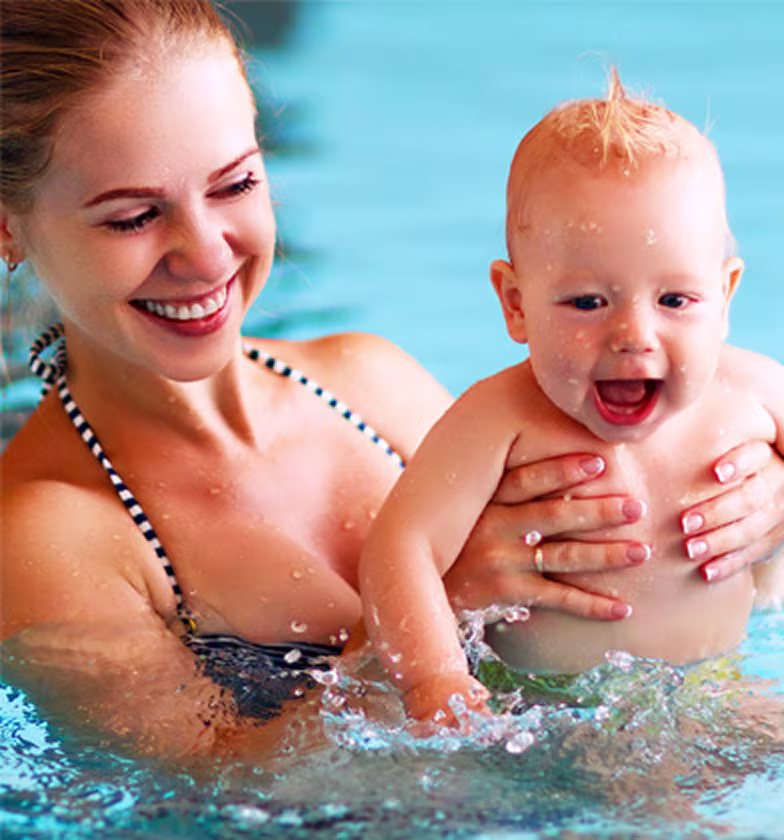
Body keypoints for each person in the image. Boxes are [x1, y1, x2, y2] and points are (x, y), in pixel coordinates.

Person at [0, 1, 781, 761]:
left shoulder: (366, 382)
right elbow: (201, 791)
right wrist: (439, 619)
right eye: (132, 217)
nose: (206, 256)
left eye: (235, 185)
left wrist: (758, 501)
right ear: (9, 225)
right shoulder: (47, 539)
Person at [359, 71, 784, 726]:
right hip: (543, 714)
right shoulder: (498, 419)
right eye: (588, 302)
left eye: (676, 300)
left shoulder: (754, 394)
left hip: (716, 695)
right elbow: (401, 547)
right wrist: (434, 679)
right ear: (516, 304)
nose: (633, 336)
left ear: (724, 297)